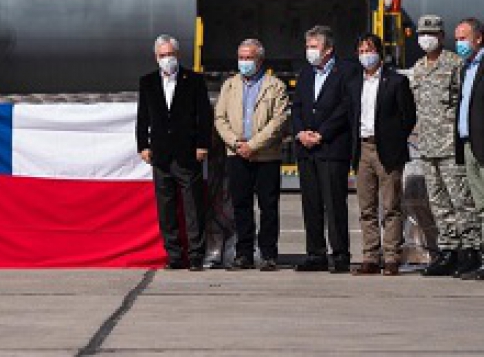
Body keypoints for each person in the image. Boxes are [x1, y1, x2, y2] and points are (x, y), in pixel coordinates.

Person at [136, 34, 212, 271]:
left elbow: (204, 116)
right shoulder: (147, 82)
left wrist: (202, 144)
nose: (166, 59)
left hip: (187, 154)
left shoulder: (194, 80)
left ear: (177, 55)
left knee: (193, 207)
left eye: (170, 54)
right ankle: (174, 255)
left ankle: (197, 254)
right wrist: (143, 146)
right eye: (162, 55)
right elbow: (142, 117)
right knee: (166, 207)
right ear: (156, 57)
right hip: (160, 155)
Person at [411, 15, 480, 277]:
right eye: (422, 33)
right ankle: (448, 251)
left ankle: (470, 250)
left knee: (461, 201)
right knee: (438, 203)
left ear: (441, 36)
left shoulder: (455, 64)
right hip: (427, 147)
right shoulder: (417, 68)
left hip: (451, 146)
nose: (426, 38)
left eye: (431, 33)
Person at [214, 38, 289, 271]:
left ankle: (268, 254)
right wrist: (237, 143)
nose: (244, 62)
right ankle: (244, 253)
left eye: (249, 58)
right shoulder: (229, 86)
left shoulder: (275, 86)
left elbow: (279, 121)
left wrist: (253, 145)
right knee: (241, 205)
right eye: (241, 58)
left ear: (260, 60)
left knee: (268, 206)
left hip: (266, 156)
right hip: (237, 155)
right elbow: (220, 118)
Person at [348, 33, 416, 276]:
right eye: (361, 51)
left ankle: (391, 257)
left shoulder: (396, 82)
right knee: (366, 208)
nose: (366, 55)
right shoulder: (355, 83)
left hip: (387, 149)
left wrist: (395, 140)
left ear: (379, 52)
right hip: (363, 148)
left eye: (369, 50)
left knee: (390, 206)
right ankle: (370, 256)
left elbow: (408, 116)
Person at [292, 25, 356, 273]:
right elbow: (297, 105)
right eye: (308, 47)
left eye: (314, 47)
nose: (310, 51)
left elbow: (345, 106)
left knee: (334, 203)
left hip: (331, 147)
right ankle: (315, 253)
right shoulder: (306, 73)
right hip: (307, 149)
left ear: (328, 49)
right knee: (311, 203)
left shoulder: (346, 71)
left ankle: (340, 254)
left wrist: (322, 134)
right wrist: (300, 132)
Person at [454, 17, 484, 280]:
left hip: (482, 144)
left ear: (478, 38)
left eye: (463, 38)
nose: (459, 43)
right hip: (469, 144)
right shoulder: (467, 68)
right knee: (479, 205)